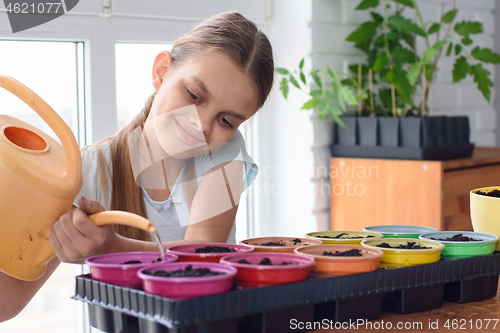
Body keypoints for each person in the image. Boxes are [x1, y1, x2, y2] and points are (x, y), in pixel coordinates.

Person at [0, 10, 274, 322]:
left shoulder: (224, 156)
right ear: (161, 72)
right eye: (195, 95)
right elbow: (7, 302)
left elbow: (203, 249)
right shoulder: (84, 174)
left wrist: (112, 248)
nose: (202, 124)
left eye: (226, 120)